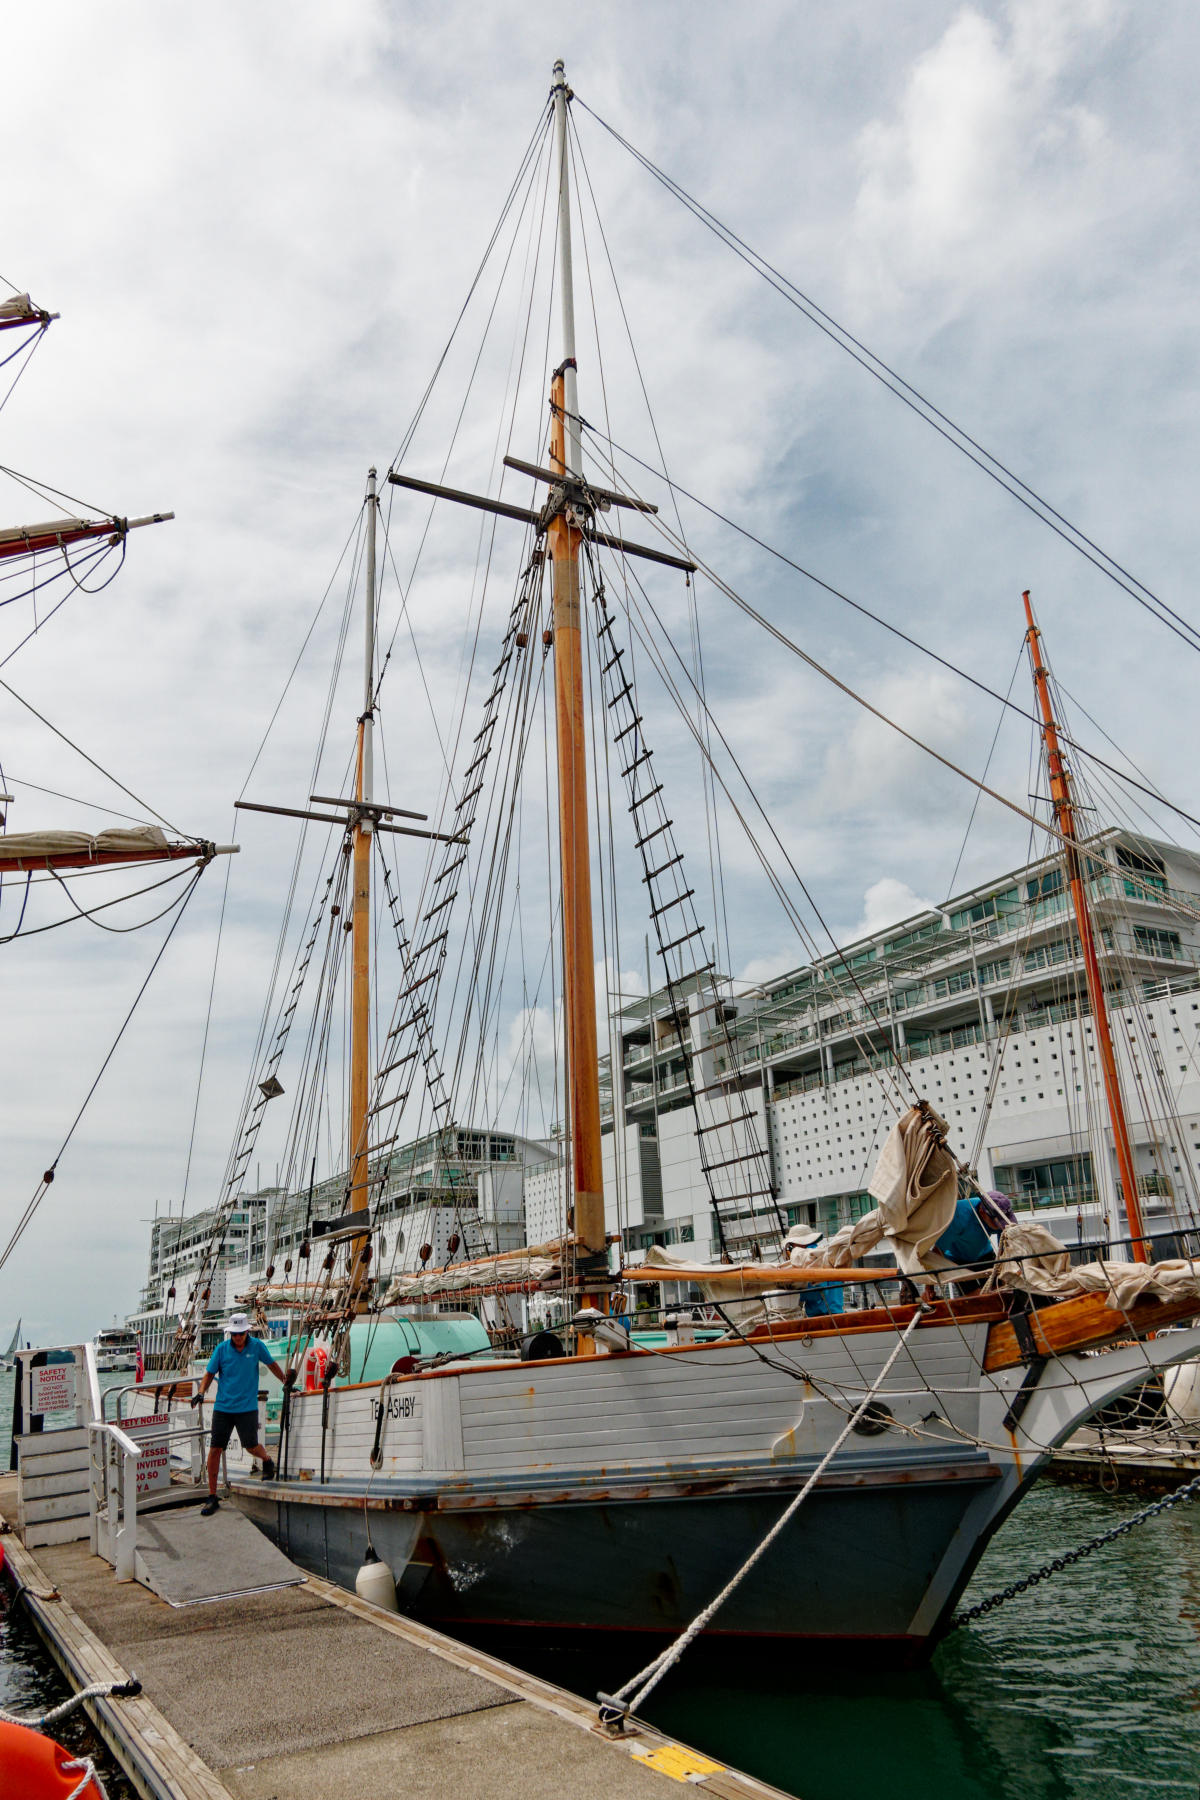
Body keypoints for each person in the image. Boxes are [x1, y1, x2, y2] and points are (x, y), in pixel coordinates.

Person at [191, 1311, 294, 1516]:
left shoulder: (257, 1346)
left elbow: (272, 1365)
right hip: (223, 1407)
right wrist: (201, 1392)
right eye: (234, 1334)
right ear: (230, 1333)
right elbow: (209, 1373)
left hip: (247, 1407)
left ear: (247, 1331)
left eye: (241, 1333)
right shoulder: (221, 1349)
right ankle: (212, 1496)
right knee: (215, 1449)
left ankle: (267, 1460)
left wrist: (286, 1383)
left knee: (251, 1446)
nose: (238, 1337)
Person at [787, 1225, 845, 1318]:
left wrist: (795, 1293)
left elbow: (816, 1293)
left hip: (821, 1316)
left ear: (797, 1244)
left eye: (792, 1245)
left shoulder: (809, 1260)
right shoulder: (824, 1255)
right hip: (837, 1312)